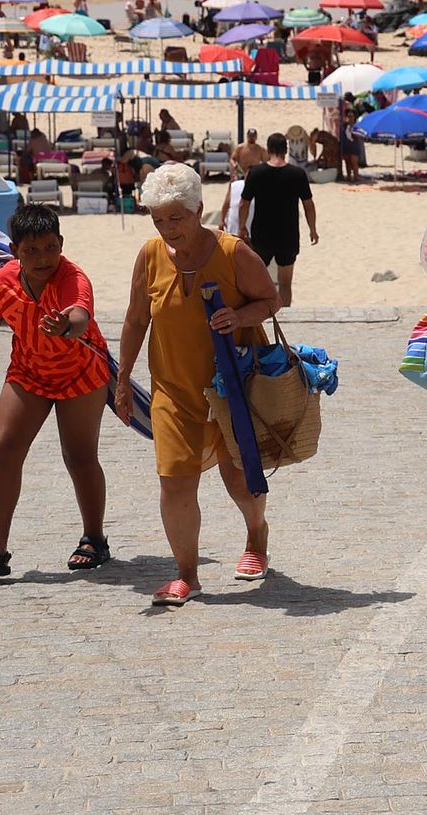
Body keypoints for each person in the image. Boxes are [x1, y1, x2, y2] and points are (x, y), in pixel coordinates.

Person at [115, 164, 281, 606]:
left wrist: (241, 316)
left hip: (233, 388)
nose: (168, 229)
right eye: (158, 219)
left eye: (176, 218)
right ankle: (187, 574)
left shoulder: (232, 252)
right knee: (174, 482)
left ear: (199, 211)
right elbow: (135, 320)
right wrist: (123, 379)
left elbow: (271, 299)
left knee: (240, 482)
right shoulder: (149, 255)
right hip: (173, 390)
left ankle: (256, 532)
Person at [0, 205, 111, 578]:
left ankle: (94, 539)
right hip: (28, 373)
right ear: (14, 249)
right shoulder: (6, 278)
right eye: (32, 250)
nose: (43, 258)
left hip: (81, 376)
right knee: (4, 448)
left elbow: (79, 316)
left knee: (79, 456)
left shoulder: (74, 279)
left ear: (61, 243)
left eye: (50, 247)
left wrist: (66, 325)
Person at [239, 133, 318, 307]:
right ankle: (285, 317)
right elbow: (308, 204)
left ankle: (258, 314)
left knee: (257, 279)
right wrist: (312, 229)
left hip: (261, 235)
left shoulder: (256, 173)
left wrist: (242, 226)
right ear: (285, 150)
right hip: (288, 235)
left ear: (268, 150)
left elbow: (243, 203)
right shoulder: (297, 174)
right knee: (285, 283)